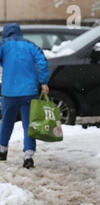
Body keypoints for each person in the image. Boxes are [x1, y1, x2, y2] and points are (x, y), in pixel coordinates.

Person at [0, 23, 50, 168]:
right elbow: (43, 63)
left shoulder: (3, 45)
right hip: (29, 91)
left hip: (9, 91)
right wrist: (44, 82)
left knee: (7, 121)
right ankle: (28, 156)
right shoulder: (30, 45)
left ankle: (2, 150)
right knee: (29, 124)